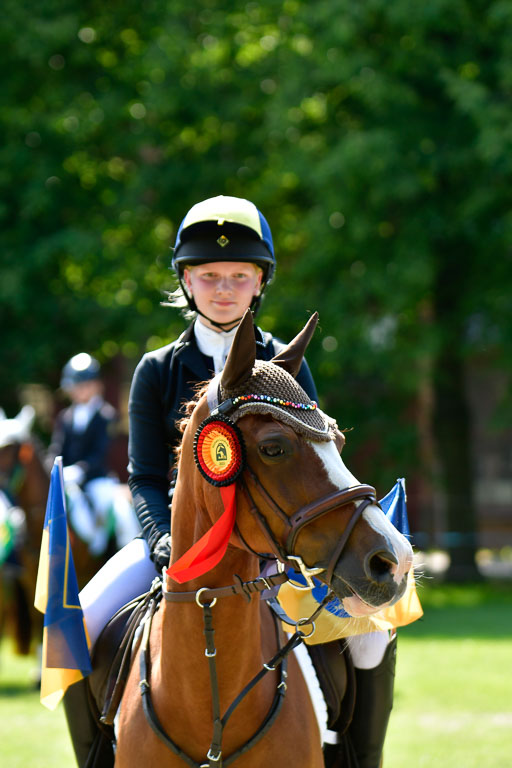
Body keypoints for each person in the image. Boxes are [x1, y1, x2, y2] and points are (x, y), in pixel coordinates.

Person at [65, 196, 396, 768]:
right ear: (187, 281)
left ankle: (358, 758)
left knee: (374, 633)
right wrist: (162, 541)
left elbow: (311, 464)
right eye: (210, 276)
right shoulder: (157, 369)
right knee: (77, 624)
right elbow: (145, 476)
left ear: (260, 281)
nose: (224, 289)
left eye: (239, 276)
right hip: (176, 548)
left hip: (273, 550)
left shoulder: (285, 363)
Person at [47, 354, 140, 556]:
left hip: (97, 478)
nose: (81, 390)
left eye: (85, 385)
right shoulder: (65, 417)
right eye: (76, 386)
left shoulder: (105, 415)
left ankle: (122, 550)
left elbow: (100, 453)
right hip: (69, 480)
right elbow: (57, 448)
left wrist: (80, 470)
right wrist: (55, 467)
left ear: (96, 385)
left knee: (122, 513)